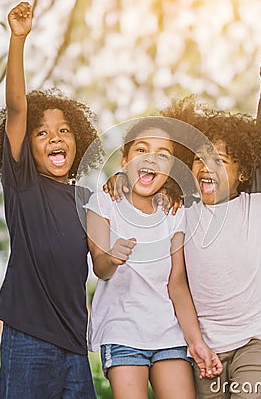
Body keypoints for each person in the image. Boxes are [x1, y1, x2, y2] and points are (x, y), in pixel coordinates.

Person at [105, 50, 261, 398]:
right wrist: (120, 178)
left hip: (256, 338)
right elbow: (149, 175)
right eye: (199, 158)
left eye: (220, 161)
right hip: (204, 346)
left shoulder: (256, 202)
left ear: (243, 173)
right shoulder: (182, 206)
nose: (207, 167)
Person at [0, 2, 102, 398]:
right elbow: (18, 106)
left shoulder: (87, 200)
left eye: (64, 130)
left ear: (78, 140)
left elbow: (101, 263)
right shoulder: (23, 187)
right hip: (28, 341)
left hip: (74, 346)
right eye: (42, 133)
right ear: (26, 148)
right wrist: (18, 40)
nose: (55, 137)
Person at [85, 116, 222, 399]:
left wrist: (197, 343)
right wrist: (111, 256)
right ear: (124, 161)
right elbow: (101, 268)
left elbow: (177, 284)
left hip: (169, 334)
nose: (151, 159)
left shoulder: (175, 212)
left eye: (163, 155)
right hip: (121, 331)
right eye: (141, 150)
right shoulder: (104, 202)